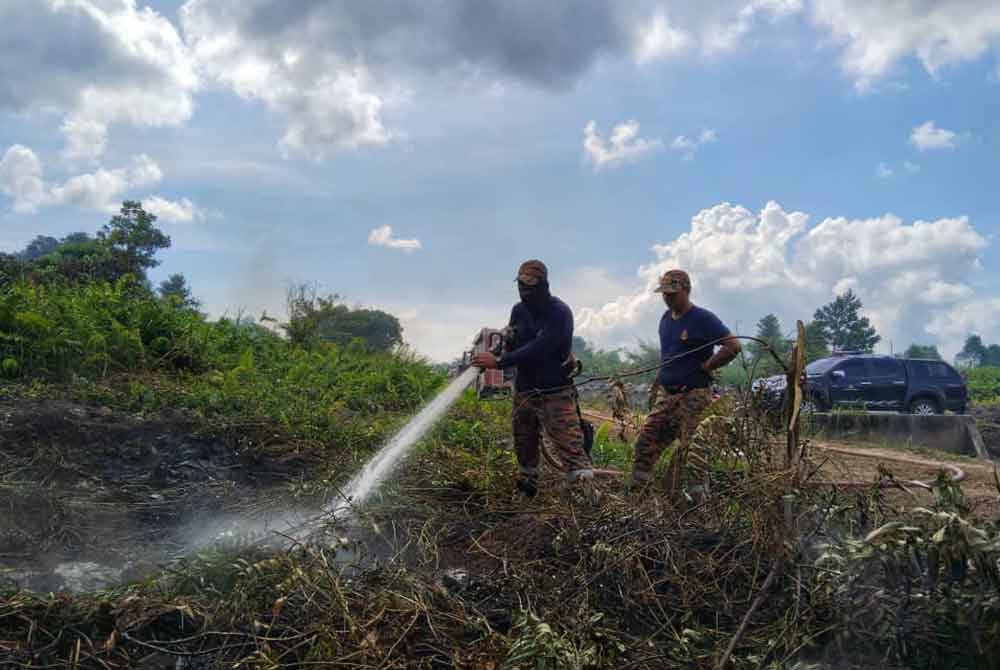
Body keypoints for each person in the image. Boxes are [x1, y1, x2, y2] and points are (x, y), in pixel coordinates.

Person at [471, 260, 595, 498]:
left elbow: (540, 347)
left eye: (529, 285)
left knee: (570, 446)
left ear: (543, 285)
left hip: (555, 392)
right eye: (520, 284)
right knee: (524, 443)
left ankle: (584, 496)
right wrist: (500, 347)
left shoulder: (559, 312)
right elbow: (513, 339)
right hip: (525, 392)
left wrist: (499, 362)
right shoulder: (518, 310)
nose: (523, 290)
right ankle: (527, 488)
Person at [630, 269, 740, 497]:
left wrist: (708, 366)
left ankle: (697, 502)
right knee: (646, 441)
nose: (667, 298)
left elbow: (733, 346)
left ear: (686, 290)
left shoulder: (703, 319)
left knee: (693, 453)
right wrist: (658, 383)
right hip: (667, 395)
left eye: (672, 294)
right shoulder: (665, 320)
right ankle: (639, 494)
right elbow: (667, 357)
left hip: (694, 396)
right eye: (664, 294)